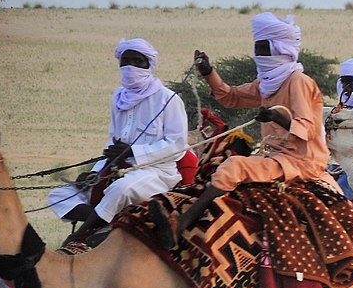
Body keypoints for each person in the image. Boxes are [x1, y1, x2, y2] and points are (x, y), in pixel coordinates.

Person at [162, 13, 331, 244]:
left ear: (279, 49)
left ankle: (182, 223)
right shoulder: (267, 83)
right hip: (274, 156)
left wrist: (276, 117)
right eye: (257, 49)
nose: (258, 55)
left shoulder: (298, 81)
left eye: (263, 49)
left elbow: (309, 130)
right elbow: (231, 98)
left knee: (234, 165)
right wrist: (208, 72)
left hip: (302, 161)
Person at [49, 38, 187, 239]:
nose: (131, 66)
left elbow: (178, 145)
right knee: (59, 195)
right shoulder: (118, 97)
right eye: (126, 61)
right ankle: (109, 225)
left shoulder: (168, 99)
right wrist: (95, 173)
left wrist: (133, 152)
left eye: (137, 61)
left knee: (120, 189)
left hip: (156, 174)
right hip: (116, 169)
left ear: (149, 65)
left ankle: (81, 236)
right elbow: (111, 144)